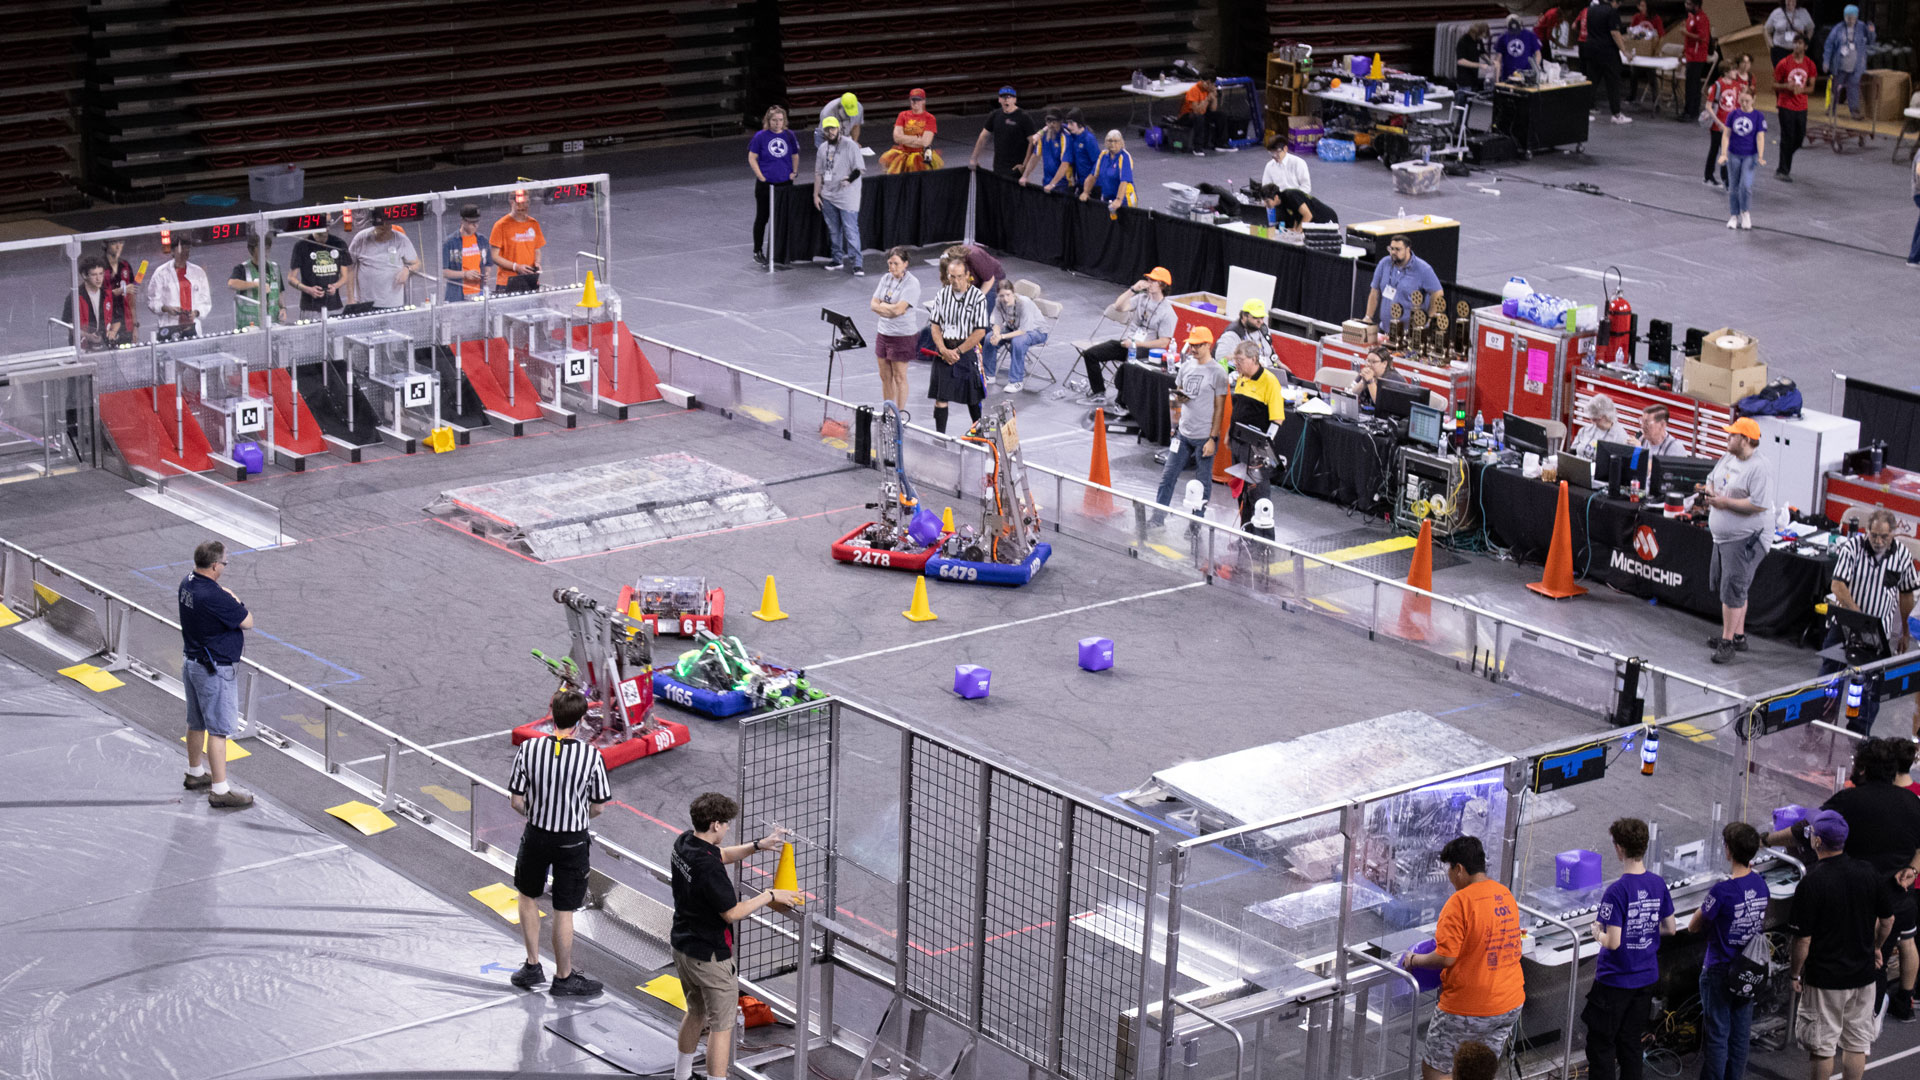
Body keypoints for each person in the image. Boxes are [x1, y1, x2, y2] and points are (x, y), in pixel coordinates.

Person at [669, 792, 802, 1080]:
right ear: (716, 824)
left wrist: (758, 846)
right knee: (722, 1025)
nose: (728, 828)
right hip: (711, 957)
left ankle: (681, 1075)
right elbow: (732, 912)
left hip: (683, 946)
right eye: (726, 823)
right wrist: (770, 895)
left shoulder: (685, 843)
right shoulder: (709, 870)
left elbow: (723, 854)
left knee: (695, 1012)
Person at [505, 688, 610, 998]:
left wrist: (537, 812)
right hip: (572, 842)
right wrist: (577, 817)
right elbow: (599, 806)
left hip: (536, 835)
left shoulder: (529, 750)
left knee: (527, 896)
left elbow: (515, 800)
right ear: (579, 722)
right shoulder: (591, 756)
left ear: (552, 715)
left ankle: (532, 965)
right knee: (563, 910)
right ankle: (563, 977)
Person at [1402, 836, 1525, 1080]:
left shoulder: (1459, 903)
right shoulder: (1504, 895)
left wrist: (1414, 959)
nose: (1449, 876)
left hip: (1467, 1007)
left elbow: (1446, 957)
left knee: (1437, 1069)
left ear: (1459, 869)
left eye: (1449, 869)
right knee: (1477, 1072)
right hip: (1509, 1003)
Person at [1786, 810, 1895, 1080]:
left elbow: (1803, 939)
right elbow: (1887, 919)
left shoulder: (1812, 881)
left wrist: (1795, 973)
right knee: (1857, 1043)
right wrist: (1877, 947)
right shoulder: (1868, 872)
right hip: (1863, 976)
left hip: (1825, 979)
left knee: (1823, 1047)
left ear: (1818, 842)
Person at [1584, 818, 1677, 1080]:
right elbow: (1670, 928)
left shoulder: (1616, 891)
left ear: (1619, 849)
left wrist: (1596, 933)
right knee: (1631, 1045)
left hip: (1614, 982)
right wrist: (1645, 929)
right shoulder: (1658, 884)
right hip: (1645, 978)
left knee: (1601, 1046)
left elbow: (1613, 942)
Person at [1819, 511, 1918, 734]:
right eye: (1874, 535)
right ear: (1867, 531)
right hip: (1844, 626)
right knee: (1829, 678)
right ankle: (1819, 726)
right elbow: (1838, 585)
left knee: (1871, 686)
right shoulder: (1852, 548)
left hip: (1878, 633)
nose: (1878, 541)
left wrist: (1905, 631)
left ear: (1893, 534)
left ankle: (1858, 735)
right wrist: (1858, 616)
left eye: (1884, 536)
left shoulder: (1902, 555)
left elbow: (1906, 595)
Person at [178, 540, 254, 809]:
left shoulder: (187, 583)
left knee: (195, 722)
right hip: (214, 669)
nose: (224, 566)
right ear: (214, 565)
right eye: (224, 562)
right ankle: (220, 790)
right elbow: (247, 620)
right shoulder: (215, 597)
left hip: (192, 661)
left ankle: (195, 773)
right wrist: (234, 598)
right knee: (219, 730)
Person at [1691, 822, 1770, 1080]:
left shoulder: (1722, 891)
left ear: (1728, 851)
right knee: (1739, 1036)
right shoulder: (1761, 885)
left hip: (1719, 969)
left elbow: (1695, 926)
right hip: (1748, 969)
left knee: (1717, 1035)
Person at [1703, 417, 1775, 663]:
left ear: (1745, 440)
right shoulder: (1728, 458)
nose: (1727, 438)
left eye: (1732, 435)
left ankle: (1727, 643)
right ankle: (1738, 636)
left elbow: (1757, 504)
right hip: (1724, 537)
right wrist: (1710, 491)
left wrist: (1724, 502)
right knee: (1735, 586)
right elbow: (1712, 478)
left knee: (1733, 590)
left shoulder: (1759, 467)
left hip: (1745, 539)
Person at [1151, 326, 1230, 527]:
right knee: (1167, 478)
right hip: (1183, 434)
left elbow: (1219, 409)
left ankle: (1195, 524)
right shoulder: (1186, 366)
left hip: (1204, 437)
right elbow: (1176, 396)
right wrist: (1174, 425)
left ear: (1208, 345)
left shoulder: (1218, 373)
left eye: (1197, 345)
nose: (1192, 348)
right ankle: (1157, 519)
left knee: (1202, 484)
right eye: (1191, 344)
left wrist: (1213, 439)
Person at [1076, 268, 1175, 402]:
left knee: (1127, 367)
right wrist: (1133, 289)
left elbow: (1163, 342)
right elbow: (1118, 307)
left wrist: (1136, 344)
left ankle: (1122, 403)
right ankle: (1098, 392)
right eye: (1149, 279)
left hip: (1146, 351)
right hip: (1129, 343)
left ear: (1163, 285)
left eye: (1153, 281)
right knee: (1091, 354)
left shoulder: (1167, 312)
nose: (1149, 282)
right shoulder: (1141, 298)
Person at [925, 253, 989, 434]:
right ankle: (940, 436)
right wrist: (943, 349)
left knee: (972, 396)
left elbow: (980, 331)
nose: (955, 281)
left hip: (966, 348)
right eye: (952, 276)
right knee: (941, 397)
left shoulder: (977, 298)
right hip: (945, 347)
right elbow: (935, 324)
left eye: (959, 276)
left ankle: (980, 434)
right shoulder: (942, 295)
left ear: (968, 275)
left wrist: (958, 352)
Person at [1228, 341, 1284, 537]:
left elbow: (1277, 419)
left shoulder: (1269, 381)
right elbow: (1239, 412)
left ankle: (1266, 540)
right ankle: (1246, 536)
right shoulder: (1242, 378)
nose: (1237, 364)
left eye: (1240, 360)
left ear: (1254, 359)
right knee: (1242, 493)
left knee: (1259, 496)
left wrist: (1264, 448)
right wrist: (1229, 435)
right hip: (1238, 444)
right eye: (1235, 360)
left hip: (1256, 449)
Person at [749, 105, 801, 266]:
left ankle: (782, 252)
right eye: (774, 120)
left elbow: (795, 155)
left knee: (783, 219)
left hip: (785, 184)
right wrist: (761, 176)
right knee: (762, 218)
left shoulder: (789, 135)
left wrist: (794, 171)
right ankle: (757, 250)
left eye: (780, 120)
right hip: (766, 184)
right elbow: (752, 157)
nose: (777, 123)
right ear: (768, 120)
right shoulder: (761, 136)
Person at [869, 246, 921, 409]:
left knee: (899, 377)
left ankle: (899, 414)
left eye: (896, 264)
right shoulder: (886, 278)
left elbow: (899, 310)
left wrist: (884, 307)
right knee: (885, 376)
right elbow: (873, 304)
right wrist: (889, 308)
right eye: (890, 263)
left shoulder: (912, 283)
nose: (892, 267)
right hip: (883, 333)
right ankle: (888, 412)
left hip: (902, 335)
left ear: (905, 264)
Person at [1364, 235, 1444, 337]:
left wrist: (1430, 319)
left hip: (1409, 335)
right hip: (1385, 330)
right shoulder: (1384, 263)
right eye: (1391, 248)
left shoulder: (1423, 269)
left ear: (1408, 249)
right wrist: (1368, 317)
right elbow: (1374, 292)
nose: (1393, 252)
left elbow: (1438, 292)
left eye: (1398, 249)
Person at [814, 115, 864, 275]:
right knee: (834, 230)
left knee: (850, 230)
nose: (830, 132)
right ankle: (837, 259)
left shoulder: (850, 146)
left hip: (848, 196)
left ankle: (857, 263)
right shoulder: (822, 148)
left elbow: (859, 169)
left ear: (838, 129)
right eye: (827, 129)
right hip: (829, 195)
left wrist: (849, 179)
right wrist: (816, 194)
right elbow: (818, 173)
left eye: (833, 128)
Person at [347, 207, 421, 310]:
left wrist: (407, 269)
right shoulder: (360, 239)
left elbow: (416, 263)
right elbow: (349, 267)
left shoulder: (401, 239)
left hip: (394, 303)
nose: (385, 231)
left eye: (388, 227)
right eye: (381, 228)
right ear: (374, 226)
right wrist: (351, 299)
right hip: (366, 302)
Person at [1718, 87, 1766, 230]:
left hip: (1750, 156)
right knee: (1733, 186)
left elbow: (1760, 137)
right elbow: (1726, 135)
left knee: (1745, 185)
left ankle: (1745, 211)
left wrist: (1761, 156)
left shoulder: (1758, 116)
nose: (1744, 103)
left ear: (1753, 100)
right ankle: (1734, 215)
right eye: (1742, 100)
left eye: (1748, 101)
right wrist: (1723, 154)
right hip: (1734, 155)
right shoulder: (1733, 115)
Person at [147, 236, 212, 339]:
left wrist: (196, 312)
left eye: (188, 248)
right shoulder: (161, 273)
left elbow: (205, 301)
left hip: (192, 326)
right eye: (182, 248)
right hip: (169, 326)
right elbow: (152, 302)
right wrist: (166, 308)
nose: (185, 252)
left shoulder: (198, 272)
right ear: (172, 251)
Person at [1581, 0, 1633, 125]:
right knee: (1613, 83)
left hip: (1591, 49)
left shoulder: (1591, 10)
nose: (1618, 6)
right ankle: (1616, 114)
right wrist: (1624, 51)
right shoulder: (1611, 11)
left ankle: (1584, 113)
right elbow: (1614, 33)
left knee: (1591, 81)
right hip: (1607, 52)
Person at [1704, 55, 1751, 187]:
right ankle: (1715, 177)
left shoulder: (1736, 86)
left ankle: (1723, 178)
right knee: (1717, 150)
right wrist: (1718, 122)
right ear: (1726, 72)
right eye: (1733, 70)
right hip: (1718, 126)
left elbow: (1737, 104)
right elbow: (1708, 106)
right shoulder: (1718, 85)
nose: (1736, 72)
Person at [987, 285, 1045, 393]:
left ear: (1013, 293)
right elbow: (997, 322)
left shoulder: (1024, 303)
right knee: (989, 338)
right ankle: (989, 375)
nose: (1005, 299)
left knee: (1018, 341)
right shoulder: (999, 302)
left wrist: (1002, 336)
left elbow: (1023, 330)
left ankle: (1016, 381)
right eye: (1001, 296)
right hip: (1014, 328)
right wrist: (996, 334)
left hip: (1035, 330)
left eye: (1008, 295)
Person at [65, 255, 129, 350]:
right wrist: (88, 336)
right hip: (82, 348)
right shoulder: (74, 297)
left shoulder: (108, 294)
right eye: (94, 275)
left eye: (101, 274)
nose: (99, 279)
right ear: (84, 275)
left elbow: (117, 319)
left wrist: (113, 332)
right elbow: (70, 326)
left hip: (106, 346)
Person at [1823, 7, 1876, 121]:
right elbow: (1829, 44)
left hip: (1856, 66)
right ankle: (1831, 108)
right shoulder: (1838, 28)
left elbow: (1871, 41)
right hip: (1840, 65)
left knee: (1854, 88)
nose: (1850, 20)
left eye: (1853, 17)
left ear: (1857, 17)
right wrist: (1826, 61)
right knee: (1835, 88)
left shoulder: (1861, 27)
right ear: (1844, 17)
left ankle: (1855, 112)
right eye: (1848, 17)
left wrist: (1872, 32)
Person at [1774, 38, 1816, 182]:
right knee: (1788, 136)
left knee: (1799, 136)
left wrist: (1802, 90)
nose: (1797, 46)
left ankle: (1785, 157)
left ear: (1805, 47)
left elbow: (1811, 87)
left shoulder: (1810, 64)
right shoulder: (1784, 63)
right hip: (1785, 104)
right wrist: (1787, 87)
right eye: (1795, 43)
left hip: (1801, 106)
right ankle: (1783, 170)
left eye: (1800, 43)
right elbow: (1774, 84)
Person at [489, 191, 545, 293]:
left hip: (530, 280)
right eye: (520, 203)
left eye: (526, 203)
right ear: (512, 202)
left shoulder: (533, 223)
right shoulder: (501, 225)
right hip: (507, 282)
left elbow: (537, 249)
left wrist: (537, 263)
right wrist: (516, 267)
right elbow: (494, 256)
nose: (523, 206)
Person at [971, 86, 1034, 176]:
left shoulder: (1024, 117)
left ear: (1015, 100)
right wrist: (974, 158)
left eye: (1009, 97)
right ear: (999, 100)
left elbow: (1033, 141)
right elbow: (983, 137)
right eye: (1003, 97)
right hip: (998, 167)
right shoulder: (995, 115)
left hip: (1016, 168)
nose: (1006, 100)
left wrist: (1025, 165)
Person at [225, 236, 283, 331]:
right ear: (251, 250)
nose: (265, 251)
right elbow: (232, 283)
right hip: (250, 325)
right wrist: (256, 284)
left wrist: (283, 308)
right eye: (261, 248)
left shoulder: (275, 268)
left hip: (272, 322)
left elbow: (279, 291)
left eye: (267, 248)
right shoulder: (242, 268)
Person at [880, 89, 941, 173]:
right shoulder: (902, 115)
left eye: (918, 100)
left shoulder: (930, 118)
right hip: (902, 153)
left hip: (921, 154)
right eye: (913, 99)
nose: (915, 102)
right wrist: (917, 138)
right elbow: (896, 138)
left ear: (924, 101)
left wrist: (904, 138)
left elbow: (925, 142)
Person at [1178, 70, 1238, 153]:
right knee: (1199, 117)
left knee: (1221, 115)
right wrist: (1207, 99)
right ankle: (1197, 147)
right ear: (1207, 82)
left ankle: (1221, 143)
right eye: (1211, 84)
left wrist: (1214, 96)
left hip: (1201, 113)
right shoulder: (1194, 90)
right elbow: (1197, 111)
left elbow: (1213, 109)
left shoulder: (1208, 90)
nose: (1212, 86)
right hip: (1187, 116)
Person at [441, 204, 491, 302]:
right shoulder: (450, 242)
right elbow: (444, 272)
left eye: (477, 222)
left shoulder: (482, 240)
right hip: (457, 294)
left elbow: (487, 264)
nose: (475, 225)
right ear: (462, 221)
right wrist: (465, 274)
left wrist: (487, 274)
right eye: (472, 222)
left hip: (479, 293)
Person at [1081, 130, 1136, 214]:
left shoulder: (1124, 157)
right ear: (1105, 142)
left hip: (1125, 199)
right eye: (1110, 141)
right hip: (1107, 197)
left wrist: (1118, 200)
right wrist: (1085, 192)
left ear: (1121, 142)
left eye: (1115, 141)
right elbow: (1093, 175)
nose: (1112, 144)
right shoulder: (1103, 155)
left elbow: (1124, 181)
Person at [1216, 299, 1277, 371]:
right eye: (1255, 317)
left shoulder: (1263, 329)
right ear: (1244, 316)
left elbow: (1273, 356)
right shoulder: (1232, 334)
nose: (1260, 321)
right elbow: (1221, 361)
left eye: (1262, 317)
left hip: (1270, 371)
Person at [1022, 110, 1074, 192]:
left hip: (1064, 185)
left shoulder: (1065, 137)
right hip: (1047, 183)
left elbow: (1065, 164)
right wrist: (1025, 176)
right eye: (1049, 122)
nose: (1051, 125)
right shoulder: (1043, 136)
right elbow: (1035, 156)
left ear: (1060, 122)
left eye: (1054, 122)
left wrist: (1053, 184)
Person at [101, 237, 138, 340]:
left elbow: (132, 299)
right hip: (106, 323)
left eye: (121, 242)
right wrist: (121, 290)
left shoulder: (125, 266)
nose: (118, 247)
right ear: (105, 245)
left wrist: (135, 326)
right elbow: (98, 295)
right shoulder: (99, 266)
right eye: (113, 243)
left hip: (126, 322)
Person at [1682, 1, 1713, 122]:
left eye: (1689, 4)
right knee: (1690, 83)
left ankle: (1691, 111)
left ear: (1696, 5)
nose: (1686, 6)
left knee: (1693, 85)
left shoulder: (1703, 18)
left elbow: (1702, 37)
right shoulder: (1691, 17)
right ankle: (1689, 110)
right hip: (1690, 55)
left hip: (1698, 56)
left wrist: (1686, 33)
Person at [1765, 0, 1815, 68]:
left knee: (1796, 74)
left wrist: (1805, 43)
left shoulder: (1803, 12)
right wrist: (1771, 45)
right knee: (1781, 75)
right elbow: (1766, 30)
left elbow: (1811, 28)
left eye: (1793, 0)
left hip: (1797, 51)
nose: (1790, 2)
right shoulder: (1776, 12)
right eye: (1788, 0)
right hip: (1780, 50)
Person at [1568, 393, 1621, 458]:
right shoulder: (1585, 430)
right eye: (1592, 419)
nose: (1593, 423)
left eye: (1595, 419)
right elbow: (1572, 453)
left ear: (1606, 417)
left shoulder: (1619, 437)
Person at [1062, 110, 1102, 195]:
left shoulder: (1089, 139)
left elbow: (1098, 163)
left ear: (1079, 123)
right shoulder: (1074, 135)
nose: (1069, 126)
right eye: (1068, 123)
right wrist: (1041, 132)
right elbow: (1058, 125)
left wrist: (1089, 182)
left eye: (1071, 124)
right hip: (1080, 183)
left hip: (1093, 185)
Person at [1266, 186, 1337, 232]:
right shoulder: (1282, 203)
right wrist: (1295, 229)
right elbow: (1296, 214)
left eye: (1267, 201)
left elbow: (1308, 215)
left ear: (1275, 197)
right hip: (1315, 219)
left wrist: (1297, 233)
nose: (1266, 204)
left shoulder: (1289, 195)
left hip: (1326, 218)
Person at [1496, 15, 1544, 82]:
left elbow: (1538, 54)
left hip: (1527, 76)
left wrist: (1535, 70)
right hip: (1508, 77)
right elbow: (1498, 60)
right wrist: (1497, 80)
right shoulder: (1502, 37)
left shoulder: (1530, 35)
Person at [1456, 23, 1494, 89]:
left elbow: (1482, 53)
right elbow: (1461, 61)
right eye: (1481, 35)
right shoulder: (1463, 41)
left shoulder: (1478, 40)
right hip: (1464, 80)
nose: (1481, 38)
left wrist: (1489, 61)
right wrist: (1480, 65)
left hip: (1474, 77)